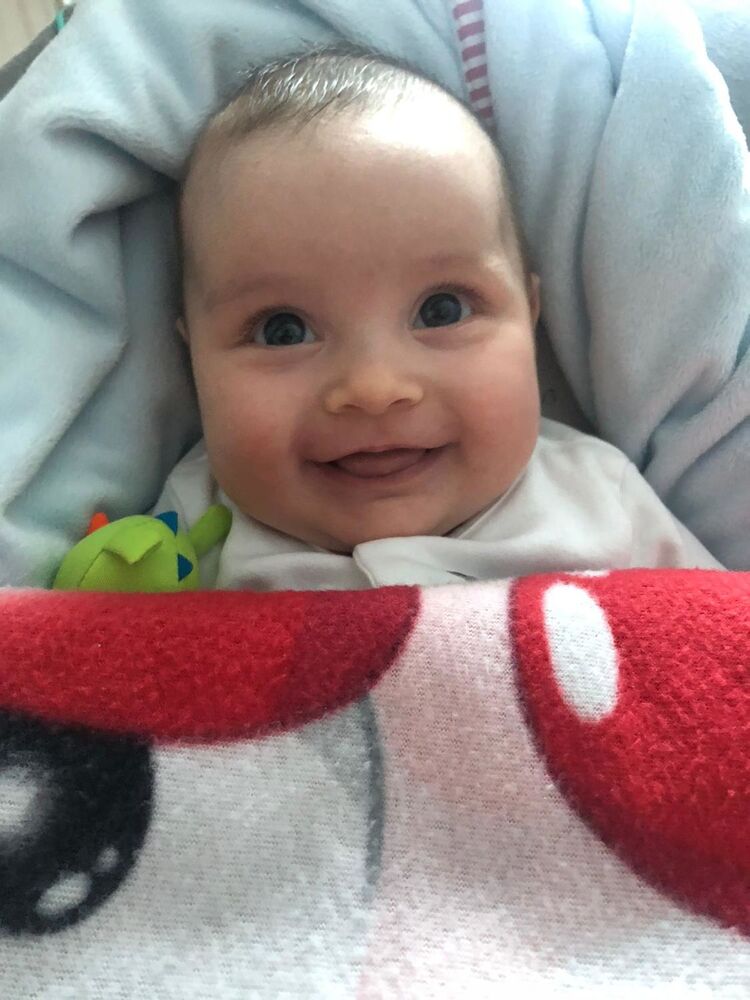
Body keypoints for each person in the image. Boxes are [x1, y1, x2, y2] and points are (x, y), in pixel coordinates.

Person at [155, 44, 722, 589]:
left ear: (529, 318)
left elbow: (725, 637)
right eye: (283, 331)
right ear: (192, 355)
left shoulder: (598, 497)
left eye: (441, 310)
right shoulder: (189, 530)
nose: (374, 389)